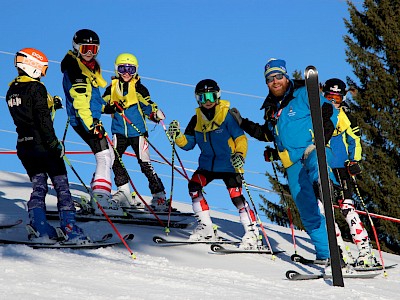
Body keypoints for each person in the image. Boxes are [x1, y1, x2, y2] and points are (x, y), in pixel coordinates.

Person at [230, 58, 350, 260]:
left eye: (278, 76)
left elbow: (328, 111)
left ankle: (324, 183)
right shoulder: (271, 109)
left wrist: (322, 137)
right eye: (270, 79)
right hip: (292, 164)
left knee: (315, 163)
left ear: (285, 77)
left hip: (312, 149)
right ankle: (326, 255)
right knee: (307, 211)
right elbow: (268, 134)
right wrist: (243, 123)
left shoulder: (303, 93)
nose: (275, 81)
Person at [167, 79, 261, 249]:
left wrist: (240, 155)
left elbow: (240, 138)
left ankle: (252, 232)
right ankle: (206, 228)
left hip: (230, 164)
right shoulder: (196, 119)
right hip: (208, 166)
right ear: (197, 99)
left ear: (218, 96)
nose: (208, 101)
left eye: (211, 96)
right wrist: (177, 136)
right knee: (194, 186)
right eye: (203, 98)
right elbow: (188, 144)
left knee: (236, 197)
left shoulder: (227, 116)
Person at [6, 48, 88, 243]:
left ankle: (39, 226)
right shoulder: (37, 88)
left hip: (24, 146)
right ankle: (69, 228)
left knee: (39, 184)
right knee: (61, 185)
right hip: (44, 145)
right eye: (42, 69)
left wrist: (51, 104)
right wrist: (53, 143)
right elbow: (42, 119)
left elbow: (29, 111)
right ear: (32, 66)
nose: (43, 74)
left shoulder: (12, 89)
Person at [61, 29, 124, 216]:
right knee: (104, 154)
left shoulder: (88, 66)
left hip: (89, 117)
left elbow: (92, 99)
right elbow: (81, 103)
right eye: (86, 48)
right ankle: (101, 199)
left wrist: (107, 107)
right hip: (83, 119)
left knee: (109, 154)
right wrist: (92, 124)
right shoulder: (75, 69)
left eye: (94, 49)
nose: (90, 52)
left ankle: (98, 193)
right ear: (76, 47)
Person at [102, 53, 169, 211]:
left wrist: (155, 115)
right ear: (116, 69)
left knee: (145, 164)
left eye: (130, 69)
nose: (126, 73)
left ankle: (159, 195)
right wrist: (107, 108)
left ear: (136, 71)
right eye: (123, 68)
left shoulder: (139, 88)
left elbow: (148, 106)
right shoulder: (111, 88)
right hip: (119, 132)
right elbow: (100, 105)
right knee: (114, 160)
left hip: (137, 132)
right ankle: (124, 191)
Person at [323, 78, 378, 267]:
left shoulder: (345, 115)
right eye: (329, 97)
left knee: (347, 207)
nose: (333, 101)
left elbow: (355, 139)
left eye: (336, 98)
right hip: (323, 167)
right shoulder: (317, 113)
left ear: (342, 97)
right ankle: (338, 252)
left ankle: (365, 252)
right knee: (325, 210)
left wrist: (354, 161)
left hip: (341, 166)